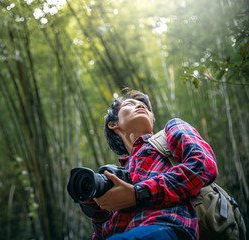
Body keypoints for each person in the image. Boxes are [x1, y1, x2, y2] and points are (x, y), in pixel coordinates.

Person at [80, 89, 218, 240]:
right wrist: (98, 212)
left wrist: (138, 193)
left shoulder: (171, 129)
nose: (141, 106)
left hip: (171, 229)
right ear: (113, 124)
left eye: (145, 106)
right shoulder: (119, 176)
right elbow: (108, 233)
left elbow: (203, 165)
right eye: (130, 104)